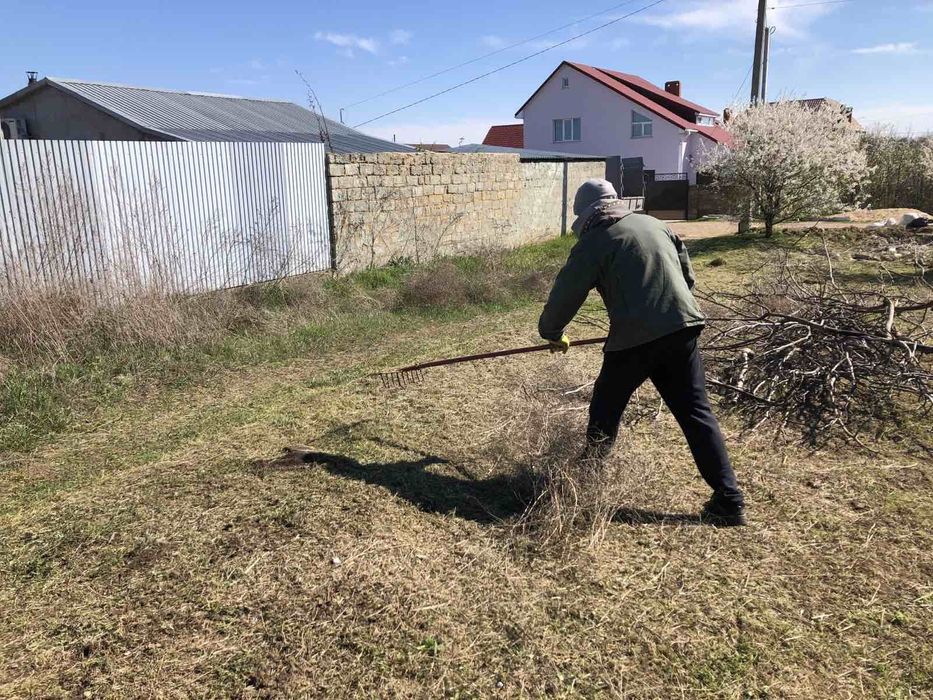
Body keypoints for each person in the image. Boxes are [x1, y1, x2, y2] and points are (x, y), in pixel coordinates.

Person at [538, 178, 746, 526]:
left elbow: (565, 295)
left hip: (635, 341)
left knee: (605, 406)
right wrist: (669, 313)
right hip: (683, 329)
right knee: (696, 414)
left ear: (588, 216)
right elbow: (686, 278)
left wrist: (551, 333)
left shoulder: (596, 241)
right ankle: (729, 499)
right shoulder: (655, 224)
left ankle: (584, 481)